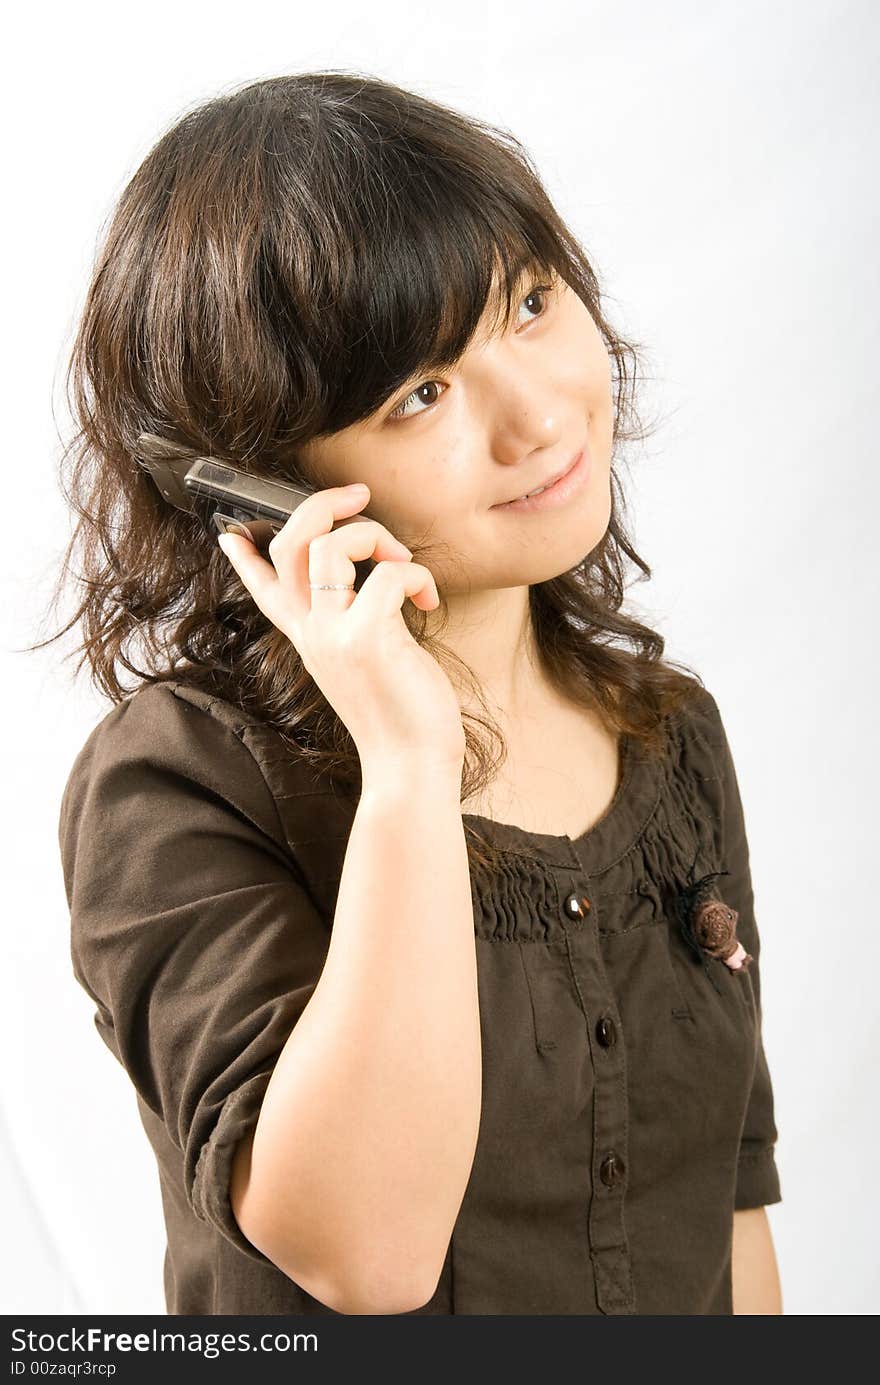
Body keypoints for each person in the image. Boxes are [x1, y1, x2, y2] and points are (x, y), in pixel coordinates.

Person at [49, 70, 783, 1315]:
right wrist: (406, 768)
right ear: (265, 485)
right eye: (421, 394)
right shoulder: (175, 780)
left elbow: (729, 1214)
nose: (539, 413)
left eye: (531, 303)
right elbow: (364, 1257)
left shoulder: (668, 737)